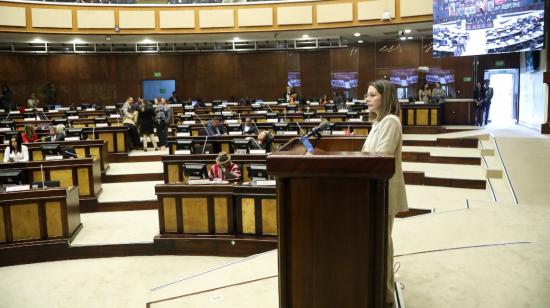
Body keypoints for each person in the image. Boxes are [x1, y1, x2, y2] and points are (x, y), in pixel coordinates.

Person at [361, 79, 408, 308]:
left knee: (382, 243)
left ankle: (386, 294)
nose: (366, 99)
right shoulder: (378, 122)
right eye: (366, 95)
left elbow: (379, 160)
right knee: (379, 241)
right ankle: (380, 288)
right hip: (374, 192)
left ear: (385, 96)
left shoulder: (390, 122)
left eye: (371, 95)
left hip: (384, 192)